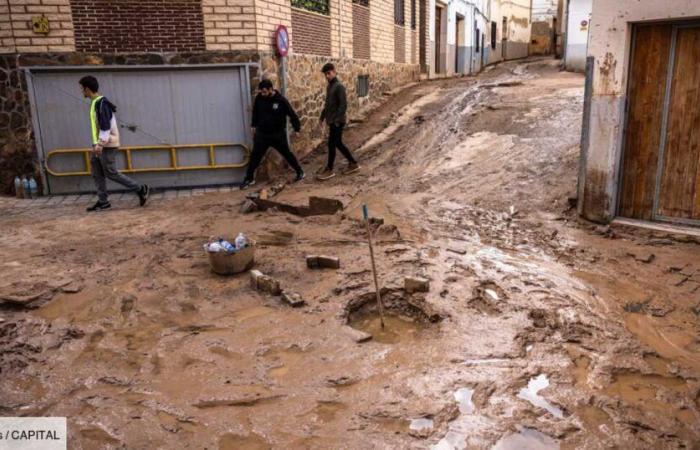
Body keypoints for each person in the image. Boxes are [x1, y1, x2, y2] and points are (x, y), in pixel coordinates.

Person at [79, 76, 149, 212]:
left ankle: (140, 189)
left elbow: (105, 126)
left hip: (106, 144)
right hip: (99, 144)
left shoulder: (101, 104)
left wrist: (100, 144)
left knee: (111, 172)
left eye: (82, 89)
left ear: (87, 89)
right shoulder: (95, 103)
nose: (81, 92)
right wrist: (96, 144)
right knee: (97, 172)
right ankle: (103, 201)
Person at [241, 79, 305, 189]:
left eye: (264, 91)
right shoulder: (259, 98)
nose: (262, 94)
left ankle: (300, 172)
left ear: (271, 89)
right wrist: (253, 125)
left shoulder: (281, 100)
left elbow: (292, 114)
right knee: (255, 156)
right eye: (261, 91)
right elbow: (255, 112)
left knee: (287, 154)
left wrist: (297, 129)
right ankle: (249, 178)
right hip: (262, 135)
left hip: (277, 135)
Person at [317, 63, 359, 181]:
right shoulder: (330, 87)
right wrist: (322, 117)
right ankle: (353, 163)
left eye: (329, 73)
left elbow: (343, 106)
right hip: (332, 121)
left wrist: (336, 120)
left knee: (332, 144)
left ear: (334, 72)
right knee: (337, 143)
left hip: (338, 121)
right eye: (325, 74)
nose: (327, 76)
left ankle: (330, 169)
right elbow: (327, 105)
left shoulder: (339, 86)